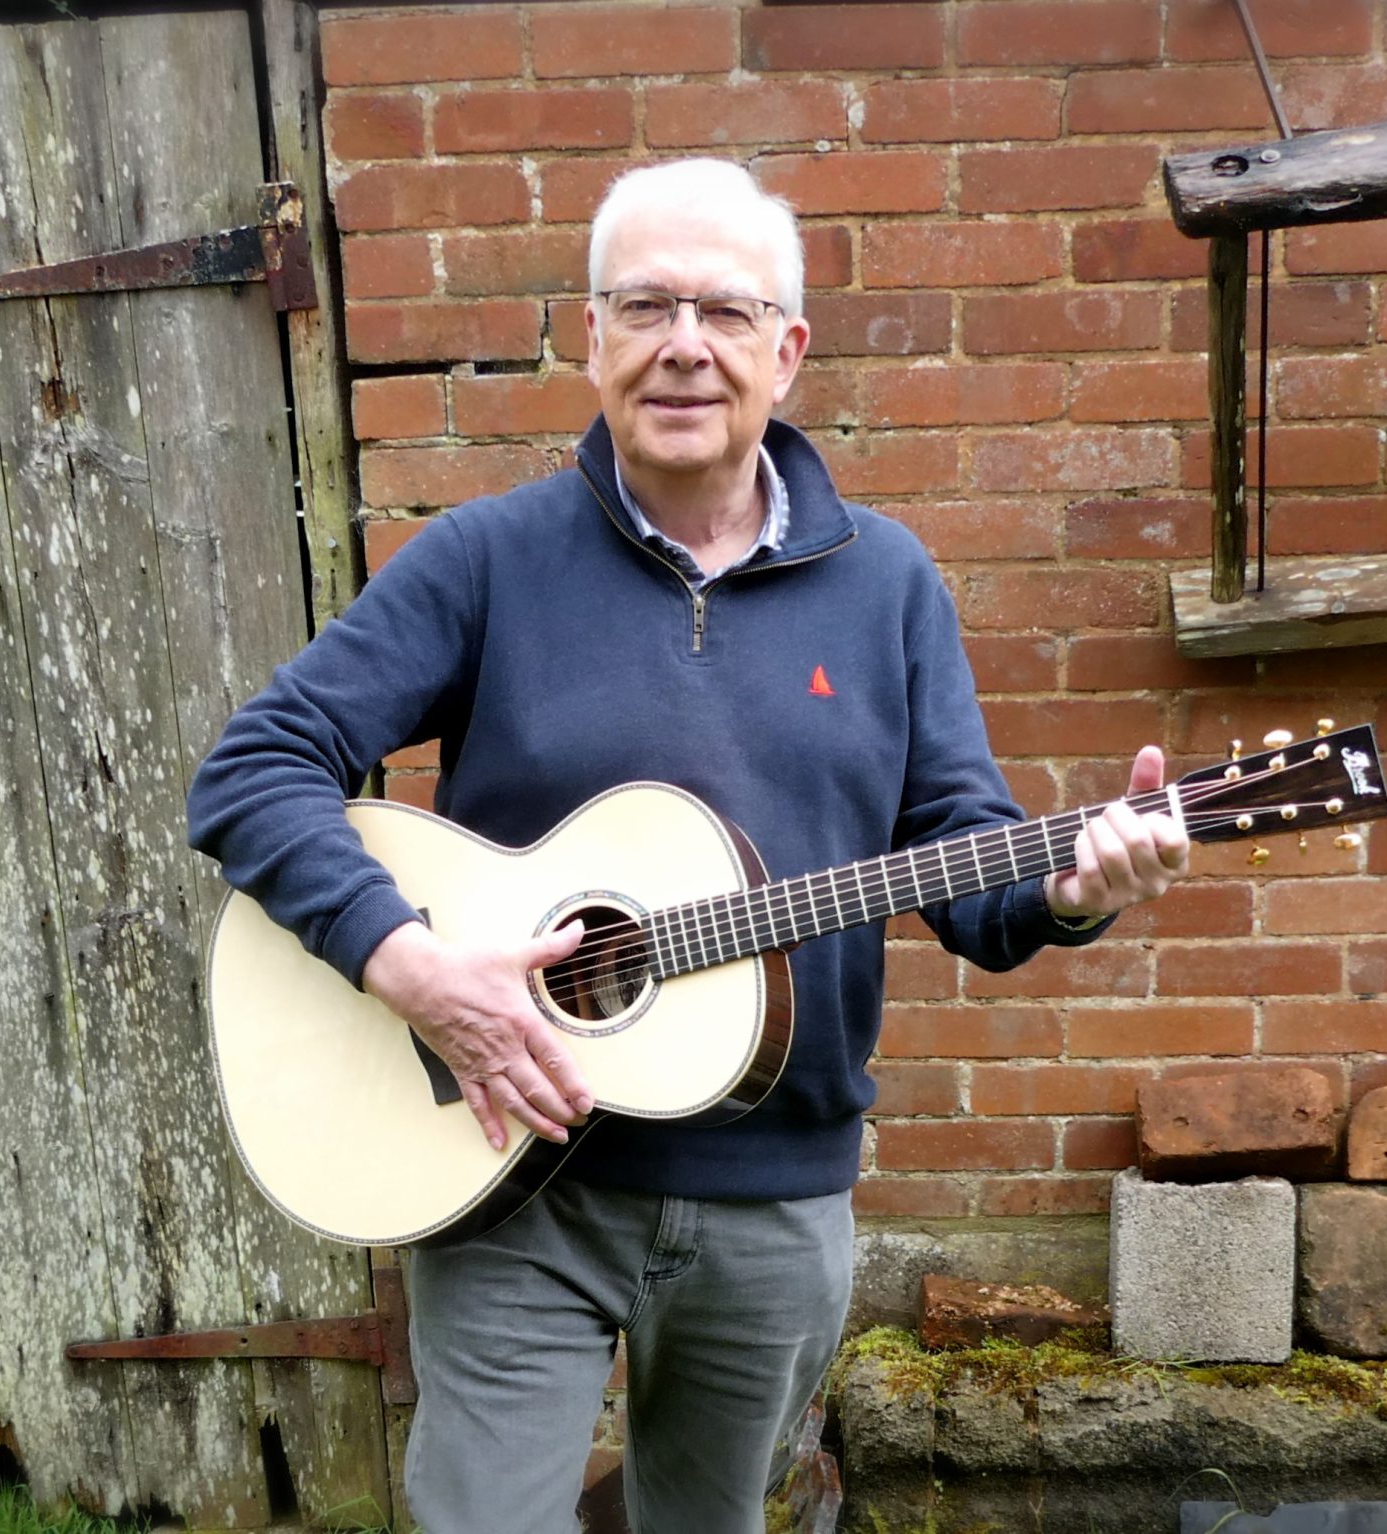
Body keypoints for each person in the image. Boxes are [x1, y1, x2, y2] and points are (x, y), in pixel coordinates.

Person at [186, 158, 1188, 1534]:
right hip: (506, 1172)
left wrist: (1070, 890)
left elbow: (974, 861)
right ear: (589, 337)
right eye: (644, 303)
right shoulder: (485, 561)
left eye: (723, 310)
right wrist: (410, 966)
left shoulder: (890, 585)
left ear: (788, 348)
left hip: (774, 1204)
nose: (682, 344)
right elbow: (252, 770)